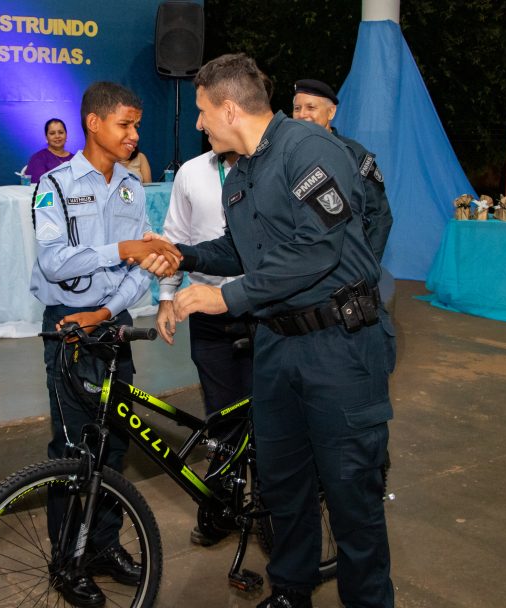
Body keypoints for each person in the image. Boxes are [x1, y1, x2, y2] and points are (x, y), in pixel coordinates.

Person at [145, 54, 394, 608]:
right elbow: (244, 249)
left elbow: (317, 247)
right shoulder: (242, 172)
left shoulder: (308, 150)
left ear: (230, 108)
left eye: (204, 110)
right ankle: (291, 591)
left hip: (339, 348)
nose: (199, 123)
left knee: (352, 495)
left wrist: (225, 295)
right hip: (277, 347)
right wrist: (181, 254)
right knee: (285, 486)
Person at [30, 81, 181, 607]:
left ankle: (102, 547)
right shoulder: (53, 184)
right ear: (93, 123)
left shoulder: (132, 188)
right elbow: (53, 261)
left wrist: (106, 310)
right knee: (74, 452)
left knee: (114, 446)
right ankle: (67, 563)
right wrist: (121, 248)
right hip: (68, 329)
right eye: (125, 124)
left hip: (109, 326)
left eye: (137, 125)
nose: (134, 135)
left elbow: (141, 270)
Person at [156, 149, 253, 546]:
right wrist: (166, 297)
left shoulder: (265, 167)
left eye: (206, 110)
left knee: (267, 418)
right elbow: (175, 235)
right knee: (221, 416)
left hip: (258, 307)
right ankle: (221, 509)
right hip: (205, 312)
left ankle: (272, 514)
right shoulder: (192, 172)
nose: (200, 122)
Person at [293, 79, 393, 261]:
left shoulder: (355, 154)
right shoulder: (287, 154)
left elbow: (380, 215)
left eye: (310, 107)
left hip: (344, 264)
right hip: (299, 261)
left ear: (331, 112)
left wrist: (365, 265)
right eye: (297, 108)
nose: (302, 114)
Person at [26, 118, 72, 183]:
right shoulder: (38, 158)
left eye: (61, 132)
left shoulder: (75, 159)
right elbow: (36, 187)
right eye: (52, 133)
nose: (57, 136)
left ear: (66, 135)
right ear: (46, 137)